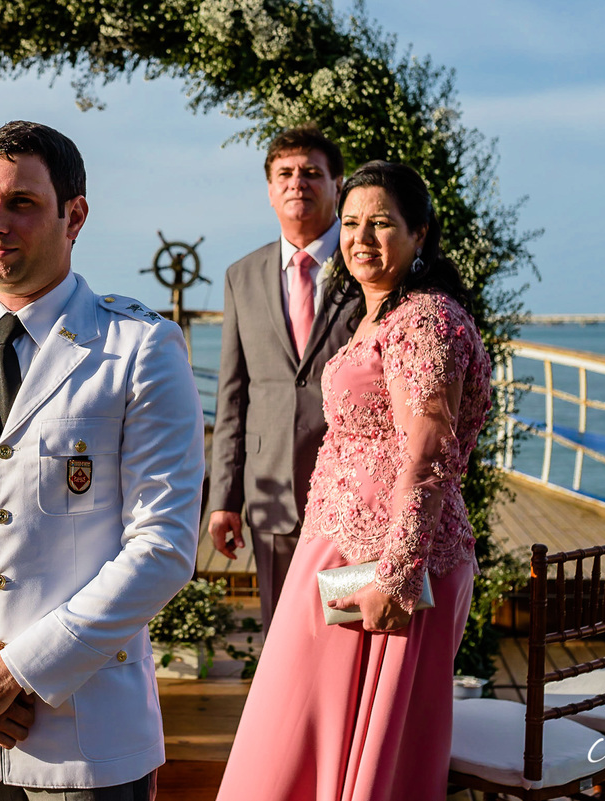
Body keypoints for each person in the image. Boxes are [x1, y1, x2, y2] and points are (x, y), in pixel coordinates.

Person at [0, 120, 204, 800]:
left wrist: (17, 671)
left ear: (73, 215)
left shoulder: (139, 348)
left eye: (21, 202)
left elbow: (165, 545)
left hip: (82, 737)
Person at [215, 161, 493, 801]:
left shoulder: (424, 320)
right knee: (300, 736)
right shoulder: (379, 316)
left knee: (347, 751)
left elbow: (427, 455)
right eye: (350, 223)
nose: (362, 238)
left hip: (391, 569)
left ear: (420, 234)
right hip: (340, 556)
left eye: (383, 224)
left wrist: (396, 574)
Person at [207, 124, 359, 633]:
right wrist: (224, 499)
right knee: (283, 634)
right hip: (270, 491)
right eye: (286, 174)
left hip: (353, 493)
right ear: (270, 190)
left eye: (313, 173)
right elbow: (233, 396)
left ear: (337, 184)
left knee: (345, 628)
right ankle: (287, 718)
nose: (299, 183)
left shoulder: (368, 267)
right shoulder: (242, 275)